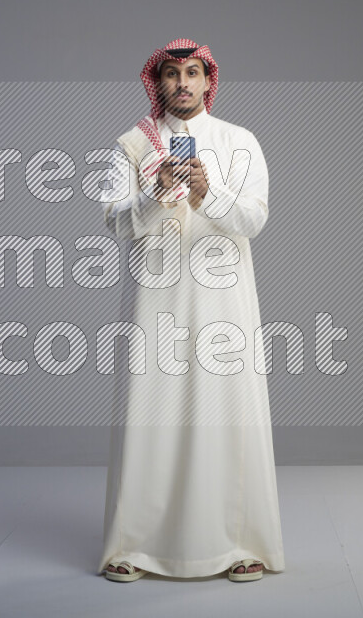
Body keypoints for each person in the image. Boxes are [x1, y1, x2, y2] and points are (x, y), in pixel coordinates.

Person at [97, 38, 285, 582]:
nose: (183, 83)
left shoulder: (239, 141)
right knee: (149, 414)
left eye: (193, 73)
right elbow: (113, 222)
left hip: (223, 301)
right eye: (172, 74)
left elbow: (253, 221)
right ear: (157, 83)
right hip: (155, 299)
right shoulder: (133, 145)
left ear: (208, 82)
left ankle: (238, 544)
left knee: (227, 409)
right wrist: (155, 194)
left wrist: (210, 196)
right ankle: (132, 547)